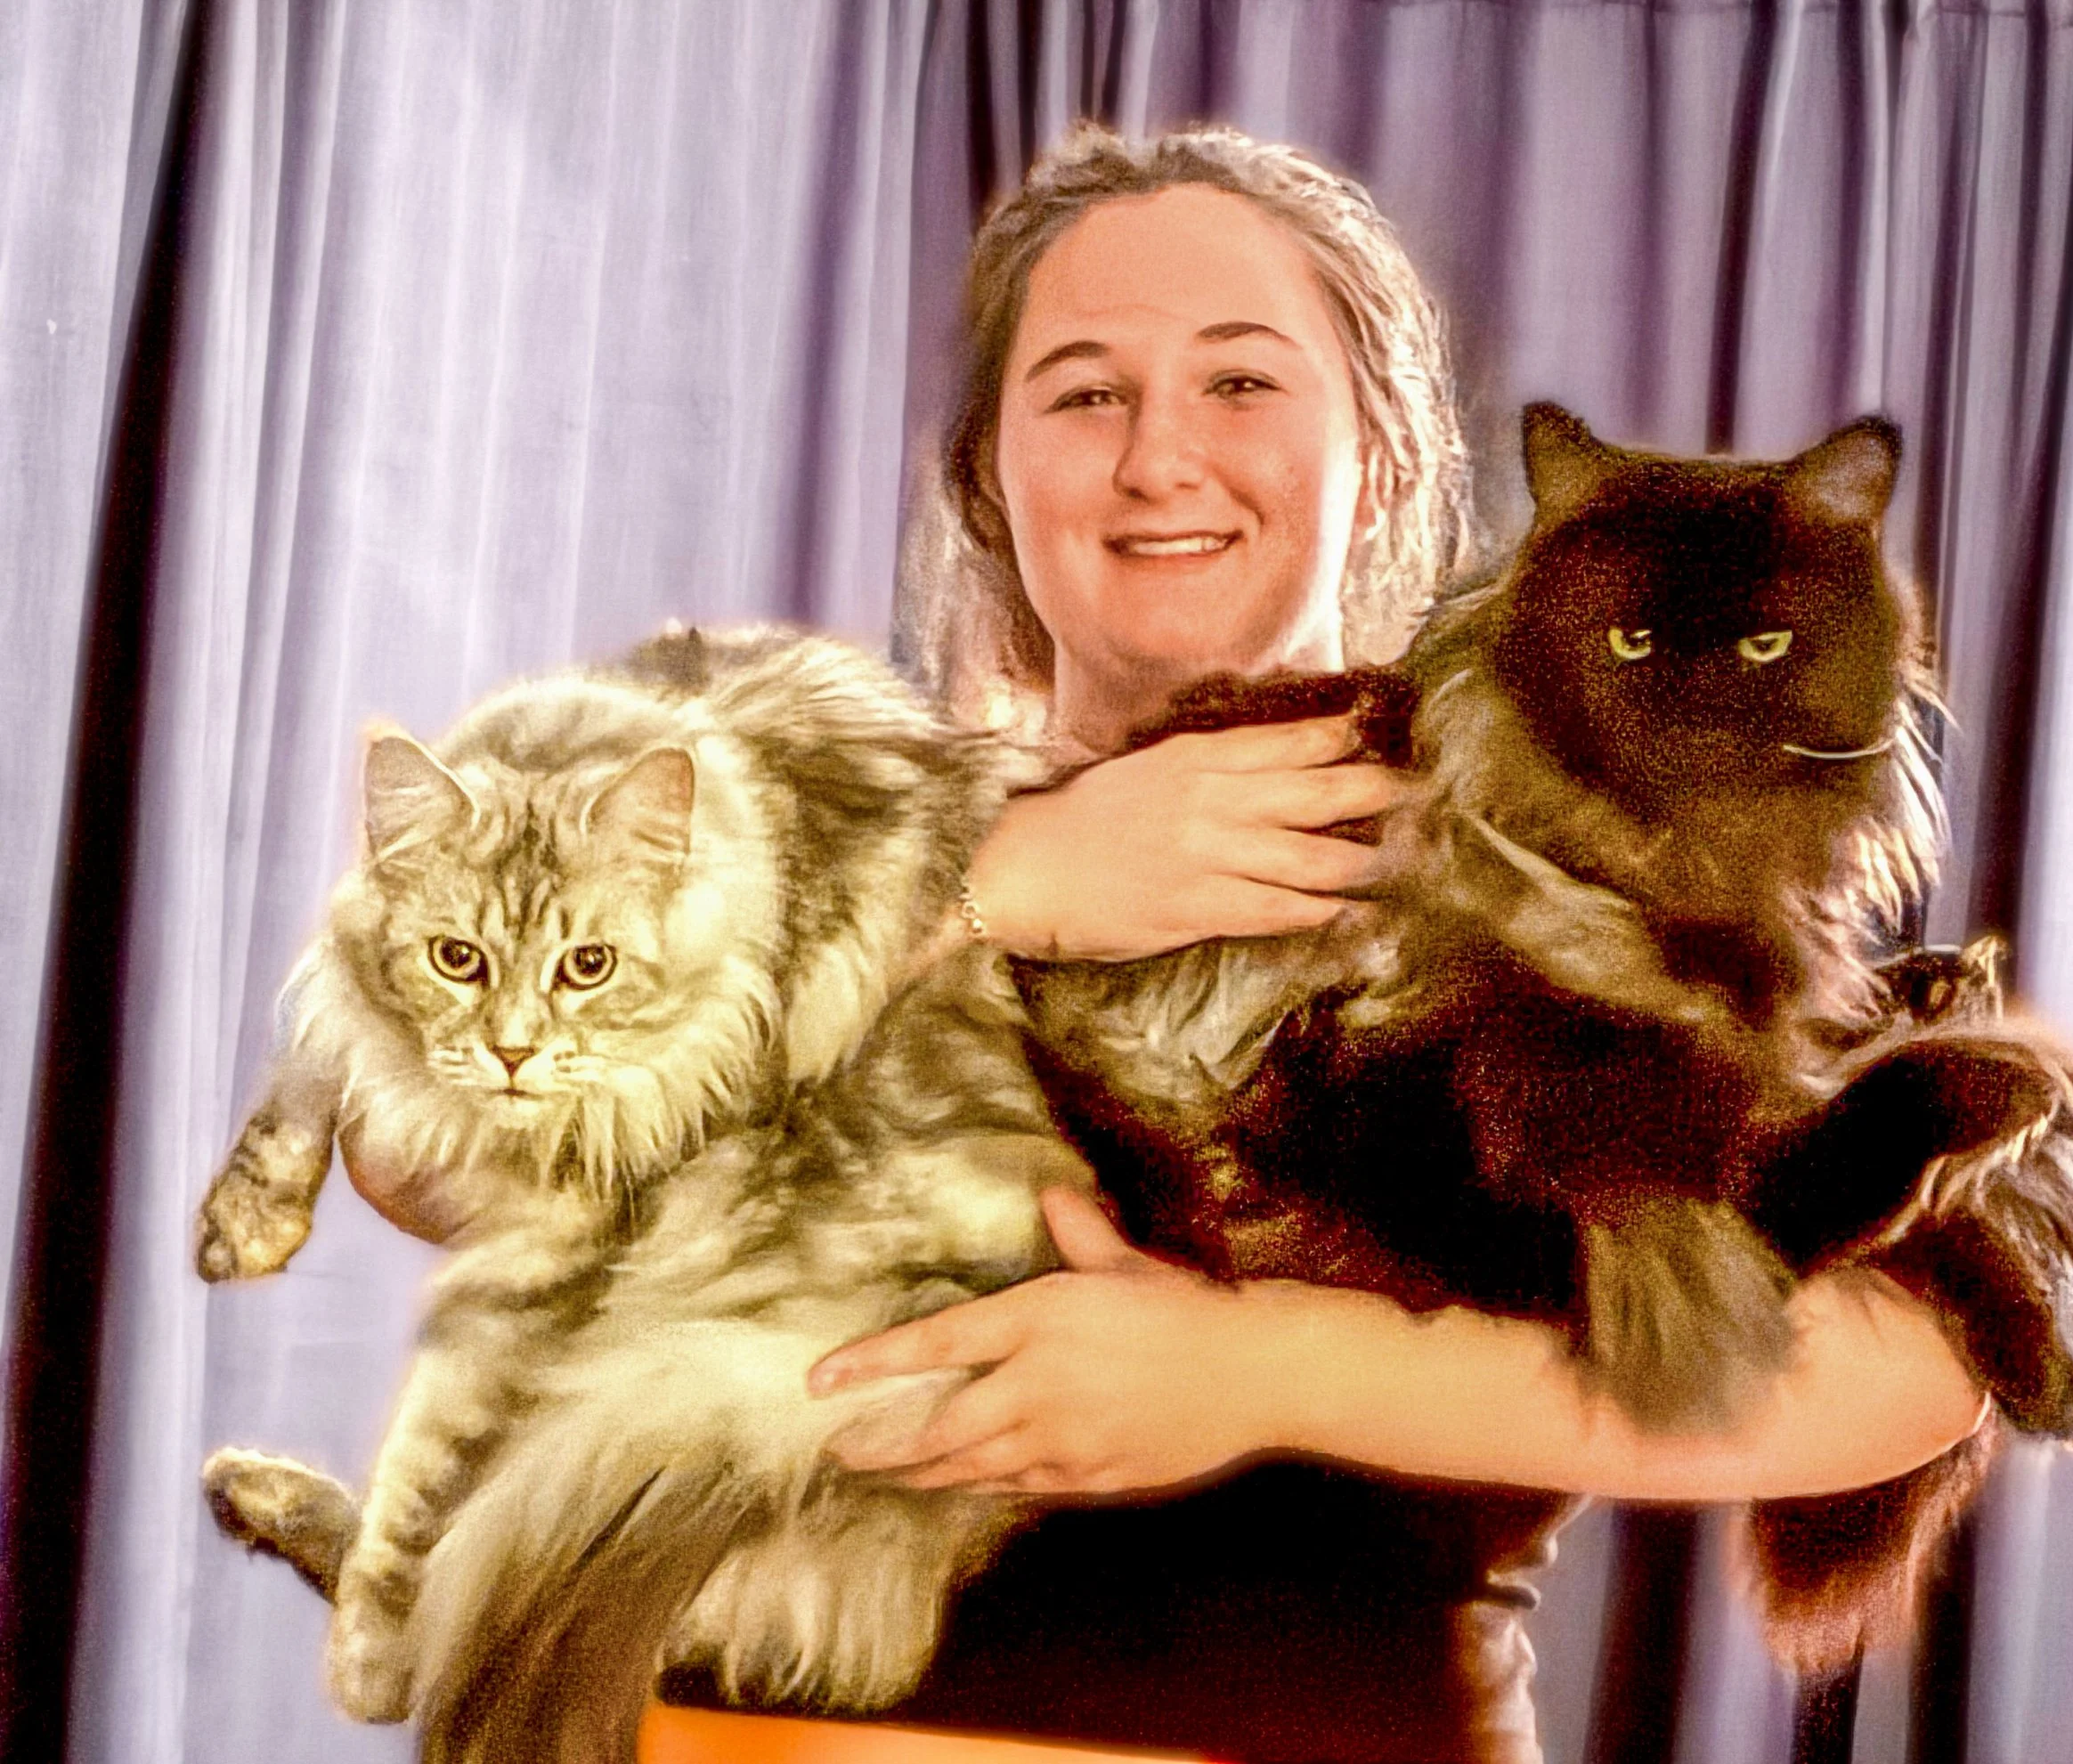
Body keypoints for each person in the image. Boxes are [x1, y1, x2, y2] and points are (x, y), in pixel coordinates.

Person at [349, 124, 1986, 1762]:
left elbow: (1912, 1368)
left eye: (1242, 385)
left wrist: (1267, 1370)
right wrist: (1001, 883)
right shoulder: (779, 817)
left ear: (1390, 459)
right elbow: (411, 1150)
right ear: (991, 476)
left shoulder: (1573, 813)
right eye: (1082, 392)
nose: (1157, 458)